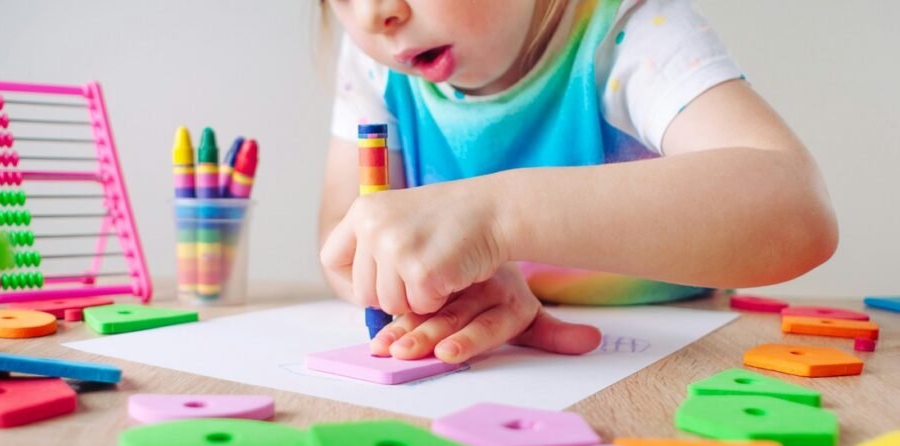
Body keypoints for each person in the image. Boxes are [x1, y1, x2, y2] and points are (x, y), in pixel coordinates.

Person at [317, 0, 837, 364]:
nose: (373, 14)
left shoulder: (628, 31)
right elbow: (343, 236)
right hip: (501, 360)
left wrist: (501, 217)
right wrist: (417, 286)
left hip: (680, 356)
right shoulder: (374, 64)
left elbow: (797, 209)